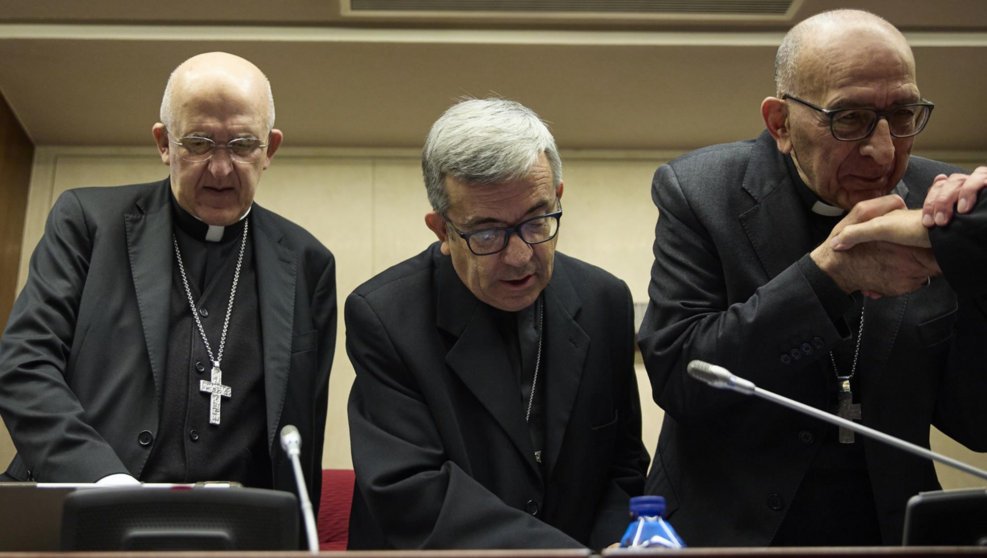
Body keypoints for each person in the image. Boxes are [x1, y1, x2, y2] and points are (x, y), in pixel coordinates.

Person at [638, 9, 987, 547]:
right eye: (849, 119)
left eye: (903, 114)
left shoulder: (942, 206)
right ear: (781, 123)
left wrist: (981, 261)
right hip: (731, 535)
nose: (884, 150)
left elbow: (976, 422)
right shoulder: (700, 191)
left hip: (890, 532)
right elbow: (683, 378)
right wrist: (827, 278)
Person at [0, 53, 336, 511]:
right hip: (79, 507)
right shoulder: (88, 222)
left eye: (241, 145)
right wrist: (101, 480)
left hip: (228, 529)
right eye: (198, 143)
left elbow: (302, 430)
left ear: (269, 149)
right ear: (164, 143)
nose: (221, 169)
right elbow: (24, 364)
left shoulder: (308, 263)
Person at [346, 98, 649, 549]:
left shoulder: (604, 301)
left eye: (536, 221)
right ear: (441, 231)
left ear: (557, 197)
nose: (520, 256)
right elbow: (412, 491)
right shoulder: (385, 316)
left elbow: (621, 469)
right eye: (487, 233)